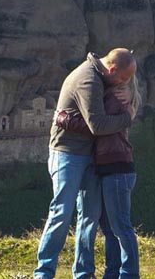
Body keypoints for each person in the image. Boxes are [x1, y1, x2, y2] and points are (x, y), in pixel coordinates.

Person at [34, 49, 137, 279]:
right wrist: (127, 118)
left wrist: (126, 93)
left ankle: (83, 273)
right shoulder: (89, 79)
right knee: (61, 212)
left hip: (90, 155)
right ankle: (44, 272)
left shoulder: (103, 78)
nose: (124, 84)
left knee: (89, 216)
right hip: (67, 153)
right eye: (123, 79)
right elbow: (98, 126)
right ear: (112, 70)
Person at [55, 74, 141, 279]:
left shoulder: (115, 99)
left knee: (117, 226)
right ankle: (113, 272)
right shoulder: (118, 97)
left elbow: (98, 127)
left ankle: (126, 273)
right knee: (110, 226)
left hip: (115, 167)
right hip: (105, 166)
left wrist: (65, 120)